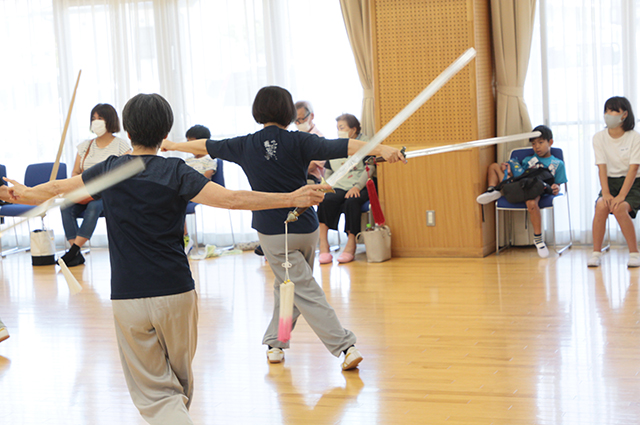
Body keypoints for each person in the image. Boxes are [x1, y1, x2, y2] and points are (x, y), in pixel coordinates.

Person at [3, 93, 328, 425]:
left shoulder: (111, 170)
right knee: (177, 389)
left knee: (158, 396)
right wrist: (291, 196)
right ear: (165, 133)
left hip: (129, 298)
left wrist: (23, 194)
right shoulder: (176, 171)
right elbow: (231, 200)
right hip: (176, 294)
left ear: (127, 132)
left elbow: (59, 187)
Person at [161, 85, 406, 371]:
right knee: (287, 288)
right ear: (289, 112)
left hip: (274, 233)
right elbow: (346, 146)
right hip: (306, 228)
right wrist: (381, 149)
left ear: (257, 111)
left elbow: (205, 145)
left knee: (301, 288)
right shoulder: (300, 140)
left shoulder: (244, 144)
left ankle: (344, 347)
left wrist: (174, 146)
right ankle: (277, 342)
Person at [476, 125, 566, 258]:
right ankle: (493, 190)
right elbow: (520, 174)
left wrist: (556, 187)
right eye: (534, 144)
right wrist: (509, 169)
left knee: (531, 202)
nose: (537, 147)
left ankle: (538, 240)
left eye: (540, 143)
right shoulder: (527, 160)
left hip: (537, 189)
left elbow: (557, 184)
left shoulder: (557, 163)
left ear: (550, 142)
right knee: (494, 166)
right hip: (520, 184)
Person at [60, 103, 131, 267]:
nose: (96, 122)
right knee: (65, 206)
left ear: (110, 120)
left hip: (108, 194)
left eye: (100, 118)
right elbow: (75, 173)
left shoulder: (121, 146)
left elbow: (124, 174)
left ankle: (73, 252)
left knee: (93, 206)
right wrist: (82, 190)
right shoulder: (85, 146)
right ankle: (75, 251)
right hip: (84, 192)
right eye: (93, 118)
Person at [588, 96, 640, 268]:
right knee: (601, 205)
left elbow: (633, 169)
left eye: (613, 111)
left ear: (624, 115)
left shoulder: (634, 137)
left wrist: (622, 196)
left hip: (633, 183)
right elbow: (601, 168)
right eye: (606, 111)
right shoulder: (599, 138)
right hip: (610, 182)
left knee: (619, 208)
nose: (608, 115)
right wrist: (607, 193)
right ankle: (596, 253)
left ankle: (634, 253)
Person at [317, 114, 373, 264]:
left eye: (342, 128)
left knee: (352, 201)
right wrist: (327, 184)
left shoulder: (365, 143)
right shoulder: (337, 144)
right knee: (326, 200)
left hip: (361, 184)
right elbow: (328, 169)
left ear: (353, 129)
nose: (339, 131)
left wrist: (357, 187)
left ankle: (351, 244)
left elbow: (370, 168)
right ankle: (323, 245)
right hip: (339, 184)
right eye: (337, 128)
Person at [183, 124, 218, 254]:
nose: (188, 146)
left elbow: (205, 179)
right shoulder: (187, 161)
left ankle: (185, 239)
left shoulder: (209, 159)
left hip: (201, 191)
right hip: (187, 192)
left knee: (178, 203)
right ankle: (184, 237)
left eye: (191, 143)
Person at [295, 100, 326, 184]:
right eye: (295, 120)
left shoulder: (319, 138)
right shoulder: (295, 136)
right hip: (296, 175)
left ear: (311, 116)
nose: (298, 123)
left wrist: (293, 172)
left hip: (311, 177)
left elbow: (313, 165)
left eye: (301, 119)